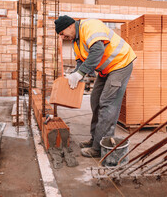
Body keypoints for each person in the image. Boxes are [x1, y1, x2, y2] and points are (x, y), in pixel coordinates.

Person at [54, 15, 136, 158]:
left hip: (120, 64)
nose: (62, 37)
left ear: (70, 26)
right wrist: (74, 75)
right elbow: (81, 62)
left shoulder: (90, 26)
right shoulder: (76, 42)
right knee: (95, 100)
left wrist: (80, 73)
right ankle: (95, 139)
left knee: (107, 103)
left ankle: (100, 147)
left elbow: (97, 51)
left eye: (62, 33)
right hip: (106, 70)